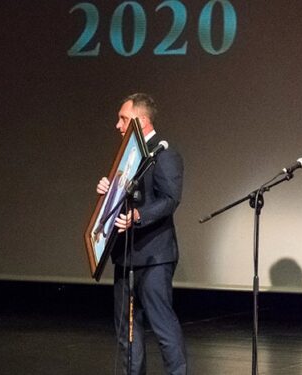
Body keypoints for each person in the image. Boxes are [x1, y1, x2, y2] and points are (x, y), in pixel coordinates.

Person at [96, 93, 186, 374]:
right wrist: (108, 191)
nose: (118, 125)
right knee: (128, 334)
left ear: (142, 120)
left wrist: (138, 216)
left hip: (154, 257)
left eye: (123, 118)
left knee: (162, 327)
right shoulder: (128, 159)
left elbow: (170, 199)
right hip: (126, 256)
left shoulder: (164, 154)